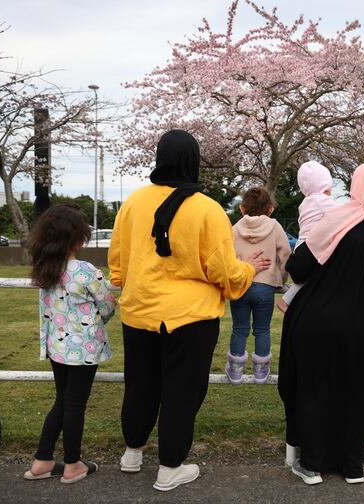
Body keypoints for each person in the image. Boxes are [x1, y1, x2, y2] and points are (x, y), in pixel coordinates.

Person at [108, 129, 270, 492]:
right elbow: (224, 273)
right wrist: (249, 270)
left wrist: (129, 279)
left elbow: (117, 262)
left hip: (139, 311)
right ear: (193, 161)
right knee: (182, 391)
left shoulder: (132, 203)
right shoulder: (207, 209)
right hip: (191, 317)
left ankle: (132, 453)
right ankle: (170, 468)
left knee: (140, 385)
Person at [278, 162, 364, 485]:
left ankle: (312, 464)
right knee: (361, 393)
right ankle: (353, 466)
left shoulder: (338, 218)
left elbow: (300, 267)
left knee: (315, 389)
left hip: (322, 320)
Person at [24, 203, 116, 484]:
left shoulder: (46, 269)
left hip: (56, 347)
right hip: (84, 350)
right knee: (75, 404)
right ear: (78, 238)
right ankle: (73, 464)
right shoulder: (86, 271)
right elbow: (109, 305)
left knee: (62, 401)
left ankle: (42, 460)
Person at [225, 186, 291, 384]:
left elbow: (227, 256)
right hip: (265, 286)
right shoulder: (275, 227)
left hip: (242, 284)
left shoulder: (234, 229)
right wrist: (281, 278)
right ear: (270, 209)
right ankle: (261, 370)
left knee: (239, 328)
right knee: (262, 329)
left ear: (242, 208)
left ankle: (236, 369)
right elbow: (286, 254)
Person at [276, 161, 337, 313]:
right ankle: (285, 303)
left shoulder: (306, 202)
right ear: (323, 185)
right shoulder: (321, 201)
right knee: (313, 275)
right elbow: (340, 214)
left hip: (302, 243)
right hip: (312, 246)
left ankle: (286, 301)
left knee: (304, 280)